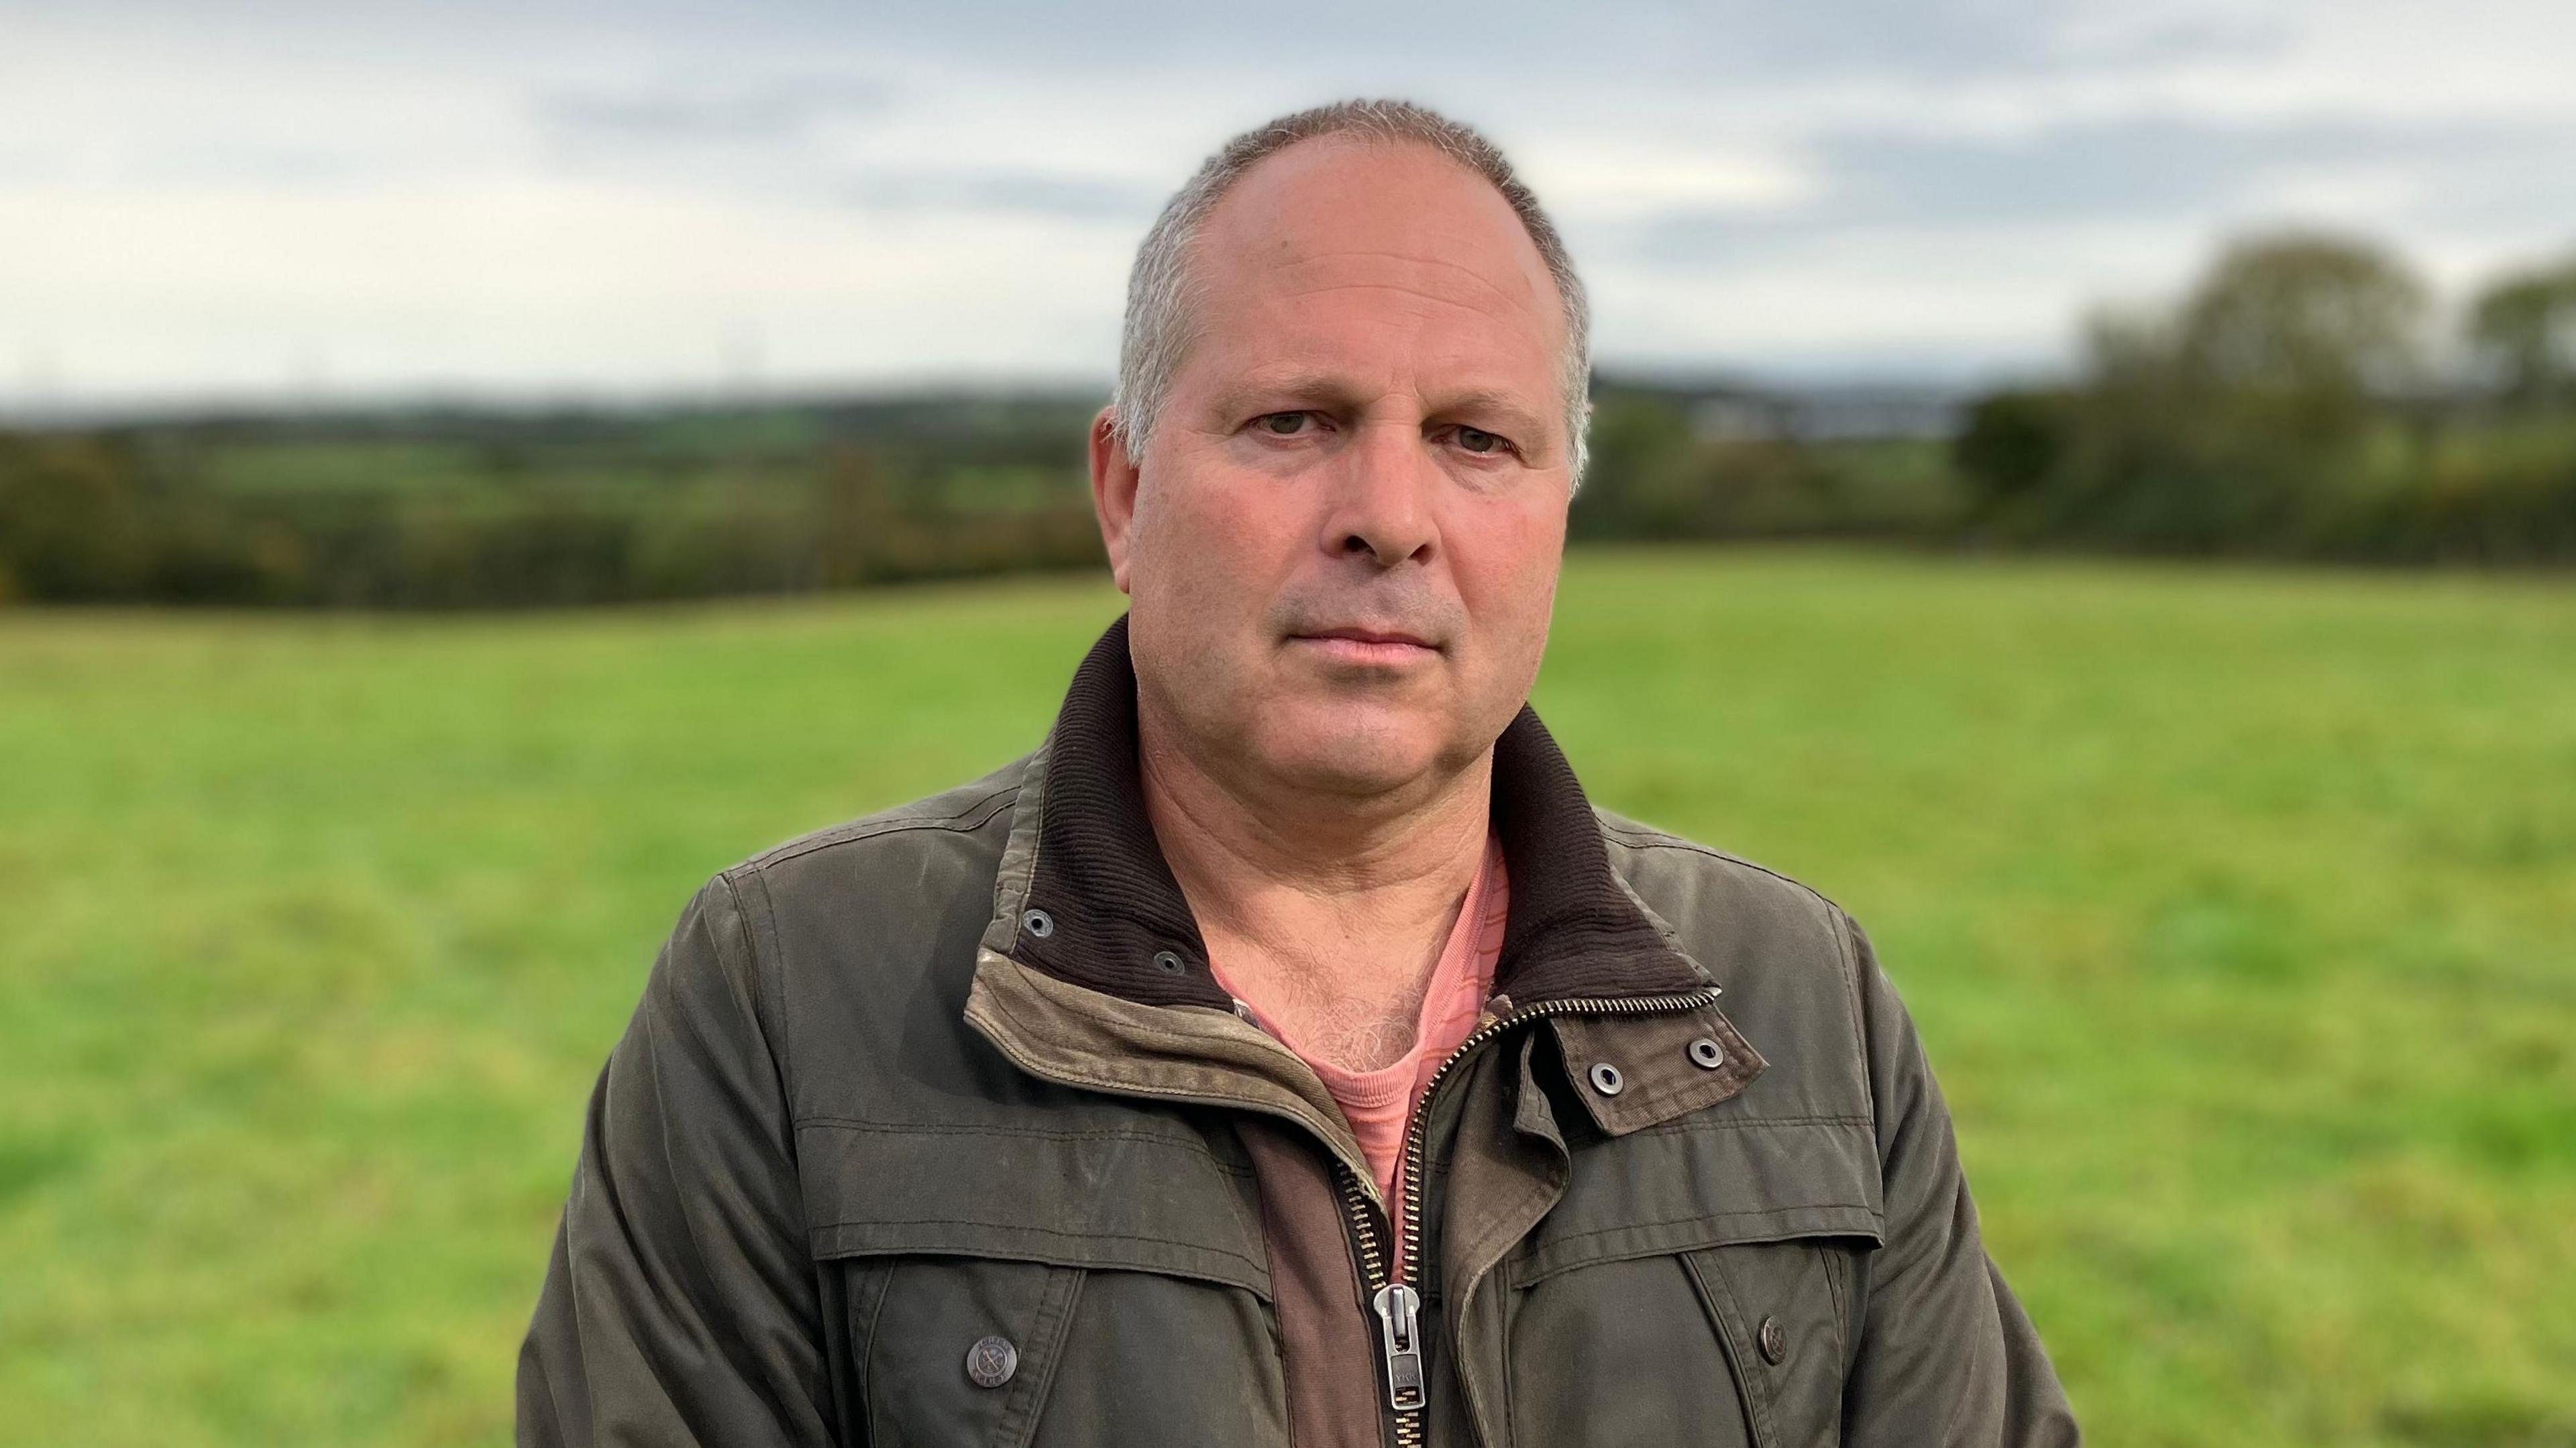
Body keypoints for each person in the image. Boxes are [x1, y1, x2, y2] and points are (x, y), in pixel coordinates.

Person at [517, 97, 2081, 1448]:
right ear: (1125, 493)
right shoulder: (790, 994)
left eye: (1477, 439)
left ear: (1558, 518)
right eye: (1293, 420)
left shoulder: (1796, 998)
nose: (1388, 513)